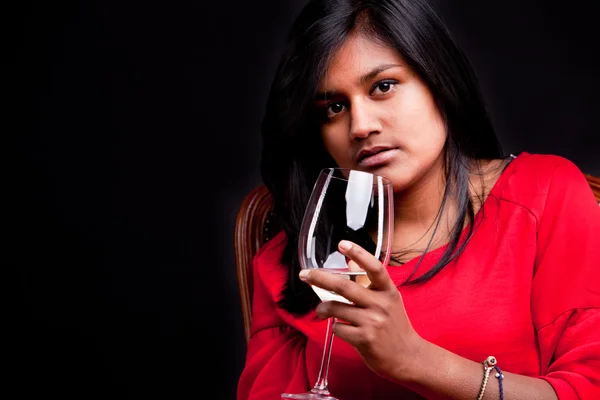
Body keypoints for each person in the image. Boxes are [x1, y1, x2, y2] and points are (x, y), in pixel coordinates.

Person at [237, 0, 600, 399]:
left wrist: (415, 361)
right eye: (334, 108)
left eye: (383, 87)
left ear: (438, 80)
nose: (360, 126)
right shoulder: (299, 259)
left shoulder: (544, 196)